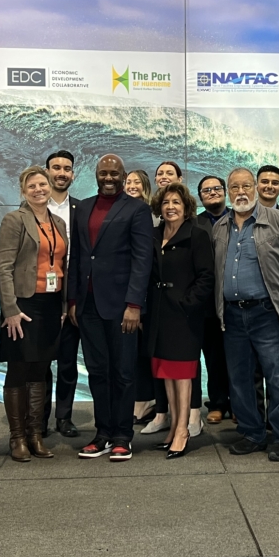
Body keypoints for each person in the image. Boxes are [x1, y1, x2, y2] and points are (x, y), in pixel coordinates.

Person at [212, 167, 279, 462]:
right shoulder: (220, 227)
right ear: (228, 192)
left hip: (269, 313)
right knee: (239, 379)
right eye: (234, 187)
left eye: (246, 186)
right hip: (233, 315)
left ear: (255, 188)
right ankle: (252, 432)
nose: (241, 192)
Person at [67, 154, 154, 461]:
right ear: (96, 174)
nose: (108, 177)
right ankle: (102, 433)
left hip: (121, 307)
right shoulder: (84, 208)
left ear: (123, 175)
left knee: (124, 372)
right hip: (88, 305)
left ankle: (122, 435)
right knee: (97, 371)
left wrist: (134, 305)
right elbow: (77, 257)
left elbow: (143, 261)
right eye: (103, 172)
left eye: (114, 173)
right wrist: (73, 301)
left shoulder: (138, 209)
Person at [0, 165, 68, 462]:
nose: (39, 190)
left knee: (41, 369)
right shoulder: (14, 219)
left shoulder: (59, 223)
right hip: (23, 305)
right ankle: (18, 438)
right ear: (23, 191)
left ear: (50, 187)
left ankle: (36, 434)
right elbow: (3, 267)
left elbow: (63, 265)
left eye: (43, 185)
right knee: (19, 369)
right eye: (32, 186)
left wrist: (63, 307)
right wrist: (10, 309)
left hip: (50, 305)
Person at [143, 183, 215, 458]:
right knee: (165, 372)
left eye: (176, 202)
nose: (170, 207)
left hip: (184, 317)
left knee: (182, 374)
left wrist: (187, 303)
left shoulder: (196, 235)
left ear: (186, 208)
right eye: (166, 203)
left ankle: (183, 430)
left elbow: (206, 276)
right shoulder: (153, 235)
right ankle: (174, 426)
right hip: (158, 315)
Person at [45, 150, 81, 438]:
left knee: (68, 362)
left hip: (71, 294)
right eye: (56, 167)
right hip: (40, 296)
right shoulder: (29, 208)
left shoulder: (81, 210)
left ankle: (64, 418)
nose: (61, 172)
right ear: (47, 172)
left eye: (67, 168)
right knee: (40, 361)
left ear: (73, 174)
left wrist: (74, 299)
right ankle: (38, 418)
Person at [196, 176, 232, 425]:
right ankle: (218, 402)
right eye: (206, 190)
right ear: (200, 197)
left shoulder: (238, 218)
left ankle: (241, 404)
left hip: (235, 298)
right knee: (214, 357)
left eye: (216, 188)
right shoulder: (195, 223)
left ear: (225, 192)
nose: (212, 193)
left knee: (240, 357)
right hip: (207, 303)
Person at [124, 169, 156, 424]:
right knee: (132, 352)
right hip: (124, 295)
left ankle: (147, 400)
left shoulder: (154, 215)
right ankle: (140, 399)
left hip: (147, 295)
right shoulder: (119, 213)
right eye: (128, 182)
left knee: (146, 351)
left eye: (136, 182)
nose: (131, 185)